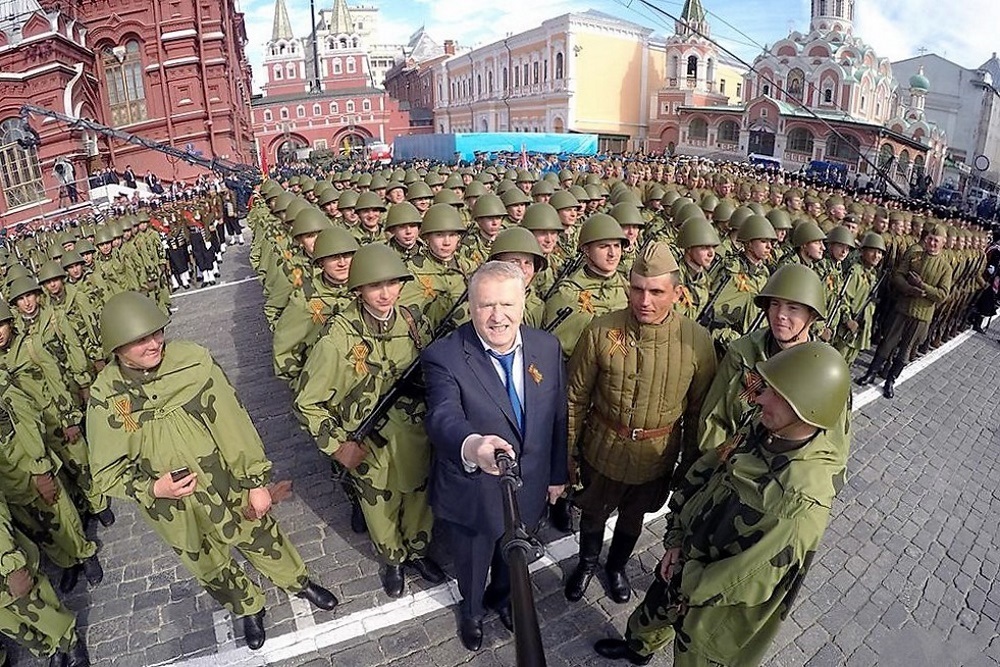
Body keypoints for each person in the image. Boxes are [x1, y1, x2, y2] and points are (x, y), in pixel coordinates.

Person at [87, 292, 338, 652]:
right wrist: (152, 489)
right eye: (140, 340)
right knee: (208, 563)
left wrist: (255, 482)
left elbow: (233, 424)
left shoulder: (193, 362)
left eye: (157, 333)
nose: (154, 344)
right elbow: (105, 473)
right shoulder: (105, 398)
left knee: (260, 534)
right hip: (175, 507)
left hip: (225, 481)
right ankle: (247, 606)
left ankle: (297, 581)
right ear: (116, 346)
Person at [595, 341, 851, 667]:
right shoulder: (765, 427)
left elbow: (747, 578)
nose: (760, 398)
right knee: (653, 612)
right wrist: (676, 539)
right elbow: (709, 470)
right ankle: (637, 649)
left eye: (775, 394)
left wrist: (685, 580)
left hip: (715, 609)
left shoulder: (797, 500)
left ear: (806, 409)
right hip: (687, 560)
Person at [421, 261, 568, 651]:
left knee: (512, 557)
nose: (497, 316)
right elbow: (442, 415)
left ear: (523, 302)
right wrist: (473, 445)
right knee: (472, 563)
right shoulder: (445, 356)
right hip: (475, 492)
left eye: (507, 304)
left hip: (530, 486)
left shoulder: (547, 347)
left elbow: (558, 415)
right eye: (486, 305)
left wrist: (557, 474)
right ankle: (471, 611)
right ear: (470, 306)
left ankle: (502, 598)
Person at [563, 242, 716, 606]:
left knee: (633, 518)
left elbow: (698, 413)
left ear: (677, 293)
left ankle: (616, 566)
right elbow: (575, 398)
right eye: (637, 289)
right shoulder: (601, 331)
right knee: (593, 512)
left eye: (656, 292)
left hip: (655, 457)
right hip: (602, 449)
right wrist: (568, 451)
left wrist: (689, 466)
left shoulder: (696, 342)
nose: (644, 300)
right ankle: (587, 563)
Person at [295, 245, 445, 599]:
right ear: (358, 288)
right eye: (375, 285)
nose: (385, 293)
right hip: (369, 444)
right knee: (380, 508)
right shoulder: (338, 339)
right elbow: (307, 403)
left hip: (417, 436)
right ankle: (393, 560)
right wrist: (337, 446)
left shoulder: (414, 323)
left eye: (393, 283)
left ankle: (418, 551)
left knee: (419, 498)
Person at [857, 223, 953, 398]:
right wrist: (908, 288)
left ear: (943, 243)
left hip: (922, 314)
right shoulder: (914, 256)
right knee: (887, 342)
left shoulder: (945, 267)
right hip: (902, 308)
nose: (932, 243)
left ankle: (890, 381)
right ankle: (871, 373)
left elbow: (942, 294)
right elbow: (898, 275)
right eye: (930, 239)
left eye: (936, 241)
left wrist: (922, 286)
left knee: (905, 350)